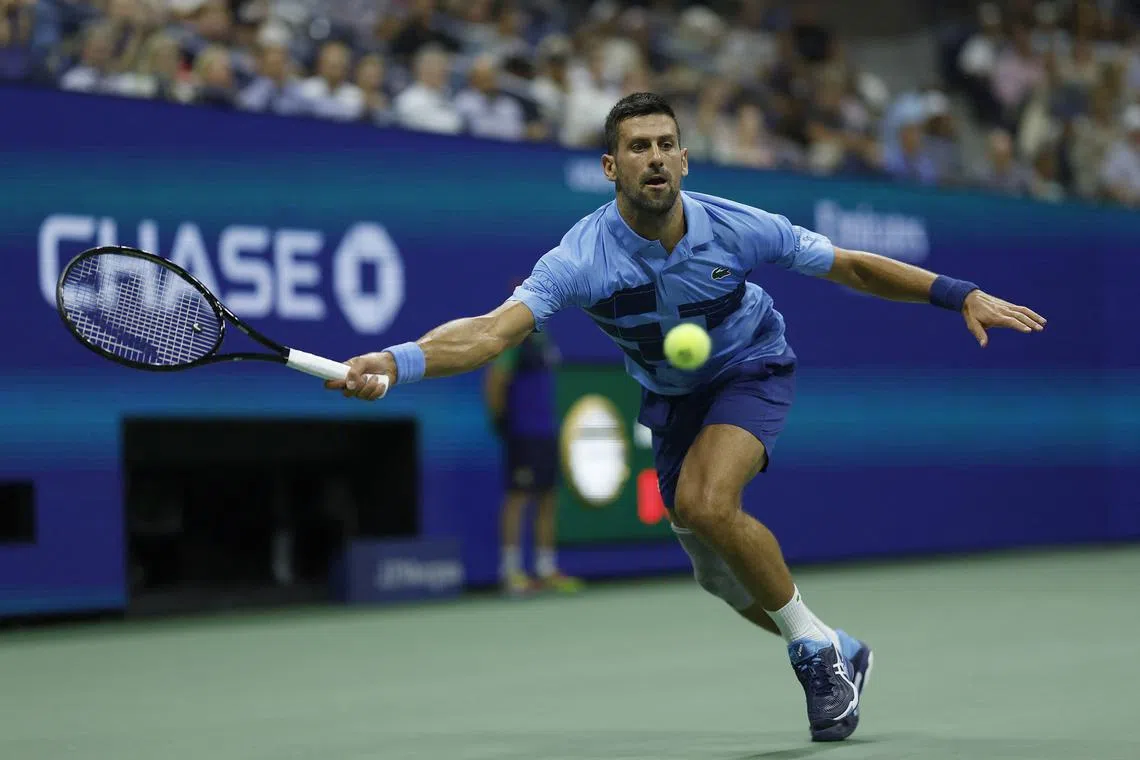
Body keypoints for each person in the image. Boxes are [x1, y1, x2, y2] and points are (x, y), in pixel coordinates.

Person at [325, 92, 1046, 742]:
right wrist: (395, 360)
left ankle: (812, 658)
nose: (656, 157)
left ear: (686, 159)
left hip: (750, 367)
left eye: (667, 143)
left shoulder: (735, 227)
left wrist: (958, 294)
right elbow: (490, 332)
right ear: (612, 167)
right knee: (721, 579)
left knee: (706, 502)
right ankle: (836, 646)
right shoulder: (581, 257)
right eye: (638, 147)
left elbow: (851, 265)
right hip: (671, 401)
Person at [483, 322, 582, 596]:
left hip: (546, 432)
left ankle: (546, 568)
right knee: (518, 497)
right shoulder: (513, 341)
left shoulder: (544, 339)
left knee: (549, 497)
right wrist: (500, 419)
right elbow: (496, 379)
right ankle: (511, 571)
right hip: (522, 433)